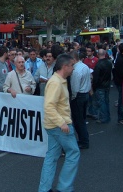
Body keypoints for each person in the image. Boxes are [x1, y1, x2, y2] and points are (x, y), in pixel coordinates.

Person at [39, 54, 80, 192]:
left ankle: (45, 188)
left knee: (51, 156)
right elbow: (49, 106)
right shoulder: (56, 82)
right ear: (65, 67)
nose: (73, 68)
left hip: (53, 125)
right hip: (59, 126)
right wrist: (62, 123)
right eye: (72, 65)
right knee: (73, 153)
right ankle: (64, 187)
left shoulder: (58, 80)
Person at [69, 51, 91, 149]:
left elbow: (74, 88)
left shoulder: (75, 71)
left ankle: (83, 141)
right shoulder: (85, 66)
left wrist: (72, 98)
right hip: (85, 94)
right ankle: (84, 138)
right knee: (82, 118)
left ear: (73, 59)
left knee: (78, 120)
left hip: (78, 96)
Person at [92, 49, 112, 123]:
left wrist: (94, 87)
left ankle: (103, 118)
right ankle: (107, 116)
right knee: (106, 101)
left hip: (100, 86)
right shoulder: (109, 63)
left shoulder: (98, 65)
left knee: (101, 102)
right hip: (107, 84)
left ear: (98, 55)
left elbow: (96, 78)